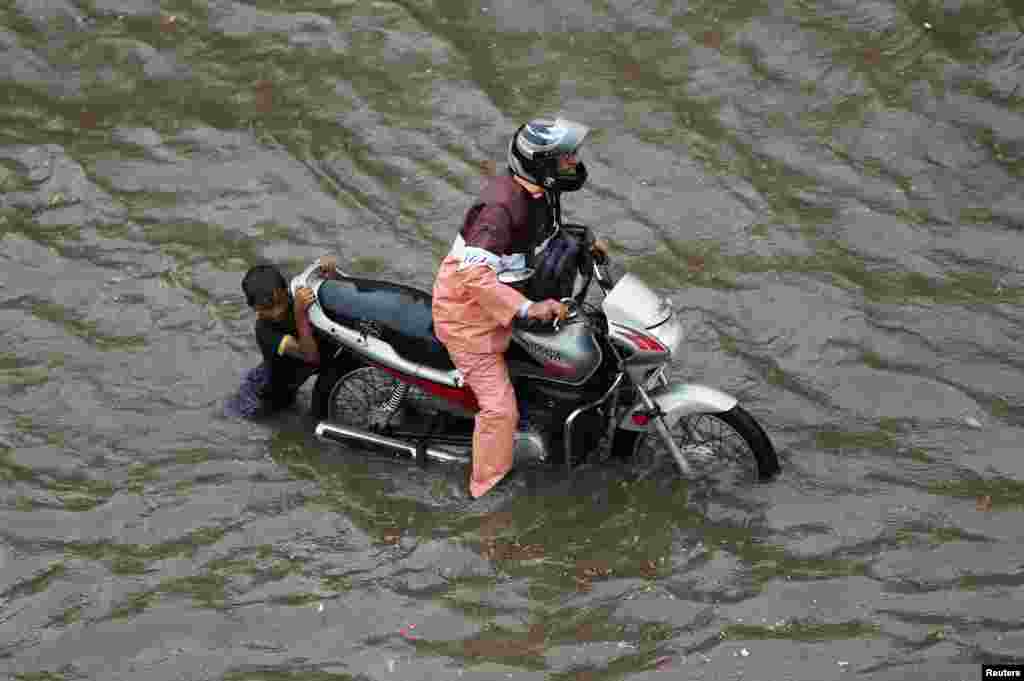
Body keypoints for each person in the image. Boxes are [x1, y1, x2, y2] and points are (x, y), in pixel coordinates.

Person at [432, 117, 609, 499]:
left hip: (507, 292)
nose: (573, 164)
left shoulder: (540, 195)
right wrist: (528, 308)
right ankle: (485, 488)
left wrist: (587, 248)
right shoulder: (500, 208)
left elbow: (546, 239)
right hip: (469, 317)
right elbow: (474, 277)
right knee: (500, 411)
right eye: (566, 159)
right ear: (542, 164)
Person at [225, 255, 340, 420]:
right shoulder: (265, 332)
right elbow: (311, 357)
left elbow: (329, 300)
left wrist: (330, 272)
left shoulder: (297, 298)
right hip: (261, 397)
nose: (277, 312)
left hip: (286, 376)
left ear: (286, 290)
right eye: (267, 308)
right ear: (253, 308)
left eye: (280, 303)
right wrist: (300, 313)